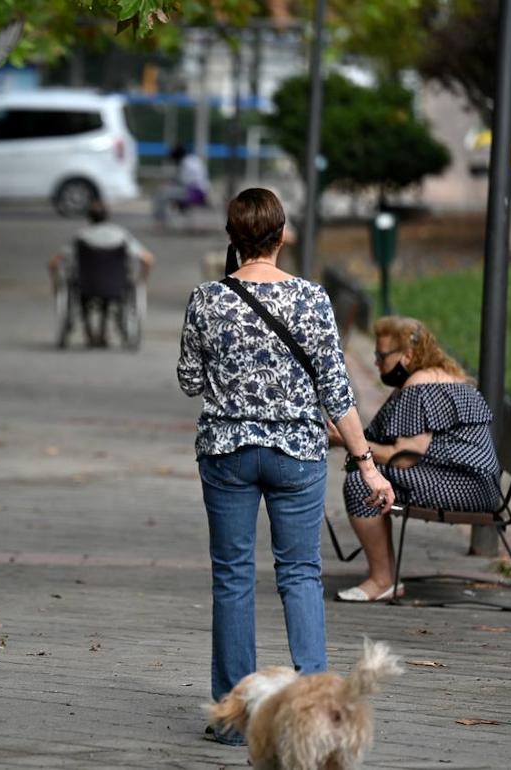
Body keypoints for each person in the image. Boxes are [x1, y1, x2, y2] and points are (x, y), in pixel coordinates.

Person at [176, 188, 394, 745]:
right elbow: (337, 393)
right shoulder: (313, 299)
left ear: (232, 237)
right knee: (300, 574)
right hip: (297, 454)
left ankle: (234, 720)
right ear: (280, 236)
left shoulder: (206, 299)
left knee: (233, 577)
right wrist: (366, 463)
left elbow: (190, 382)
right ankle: (316, 715)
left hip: (226, 452)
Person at [329, 316, 502, 602]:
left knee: (363, 483)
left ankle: (382, 580)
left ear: (408, 355)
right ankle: (384, 576)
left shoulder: (420, 386)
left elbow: (404, 457)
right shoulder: (441, 376)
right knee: (371, 477)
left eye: (382, 355)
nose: (376, 363)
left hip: (463, 486)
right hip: (478, 484)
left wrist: (348, 443)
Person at [49, 200, 154, 347]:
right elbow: (148, 260)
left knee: (80, 293)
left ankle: (90, 333)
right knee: (111, 293)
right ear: (107, 216)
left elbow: (54, 263)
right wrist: (142, 280)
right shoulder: (121, 235)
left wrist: (56, 284)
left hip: (85, 284)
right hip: (116, 284)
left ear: (89, 217)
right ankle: (102, 333)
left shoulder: (81, 236)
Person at [155, 144, 211, 226]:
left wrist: (170, 184)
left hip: (194, 194)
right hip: (203, 192)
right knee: (167, 192)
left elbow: (184, 183)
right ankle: (166, 219)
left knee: (162, 193)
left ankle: (160, 222)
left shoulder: (185, 163)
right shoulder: (194, 159)